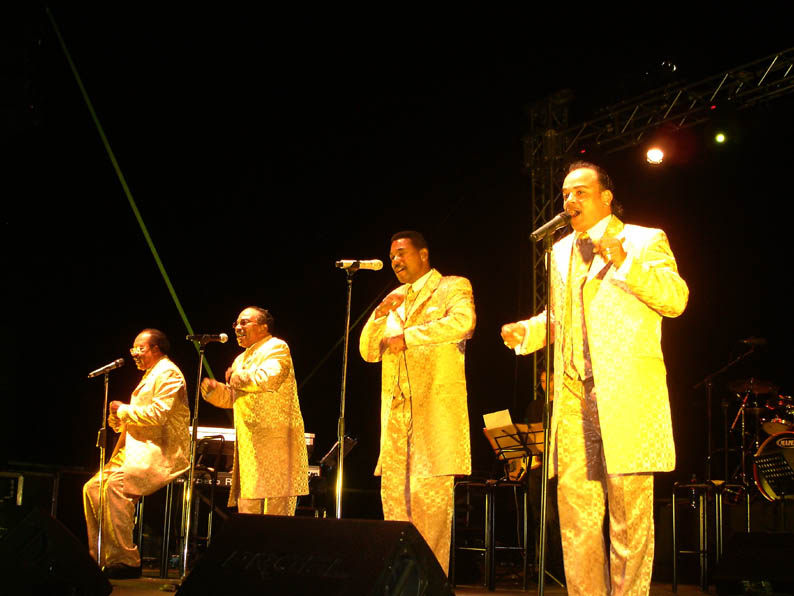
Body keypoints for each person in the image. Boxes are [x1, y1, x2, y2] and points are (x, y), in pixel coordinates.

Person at [501, 162, 688, 595]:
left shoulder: (644, 239)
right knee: (577, 518)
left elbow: (676, 299)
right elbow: (562, 317)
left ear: (606, 197)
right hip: (573, 397)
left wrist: (625, 262)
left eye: (581, 192)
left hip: (625, 397)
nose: (570, 201)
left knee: (629, 519)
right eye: (566, 194)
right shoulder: (559, 251)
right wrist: (528, 331)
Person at [359, 230, 476, 574]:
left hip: (434, 417)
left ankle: (431, 584)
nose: (395, 261)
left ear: (423, 254)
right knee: (395, 510)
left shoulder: (452, 286)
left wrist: (408, 336)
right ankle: (400, 584)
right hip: (395, 419)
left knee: (431, 511)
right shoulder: (394, 298)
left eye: (401, 253)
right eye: (391, 256)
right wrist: (380, 314)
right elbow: (368, 351)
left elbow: (464, 322)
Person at [83, 329, 190, 579]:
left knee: (115, 487)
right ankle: (100, 557)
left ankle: (126, 560)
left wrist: (124, 410)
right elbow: (134, 419)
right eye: (133, 349)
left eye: (140, 348)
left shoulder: (169, 373)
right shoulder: (151, 374)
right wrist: (117, 416)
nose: (135, 353)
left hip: (161, 450)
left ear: (156, 349)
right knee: (92, 488)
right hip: (135, 449)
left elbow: (158, 415)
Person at [201, 306, 308, 515]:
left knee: (275, 516)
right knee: (248, 514)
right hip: (249, 448)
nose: (237, 327)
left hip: (275, 445)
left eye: (244, 322)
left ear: (263, 327)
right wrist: (215, 391)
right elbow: (236, 397)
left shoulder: (276, 347)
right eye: (236, 323)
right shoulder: (240, 359)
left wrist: (236, 376)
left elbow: (268, 379)